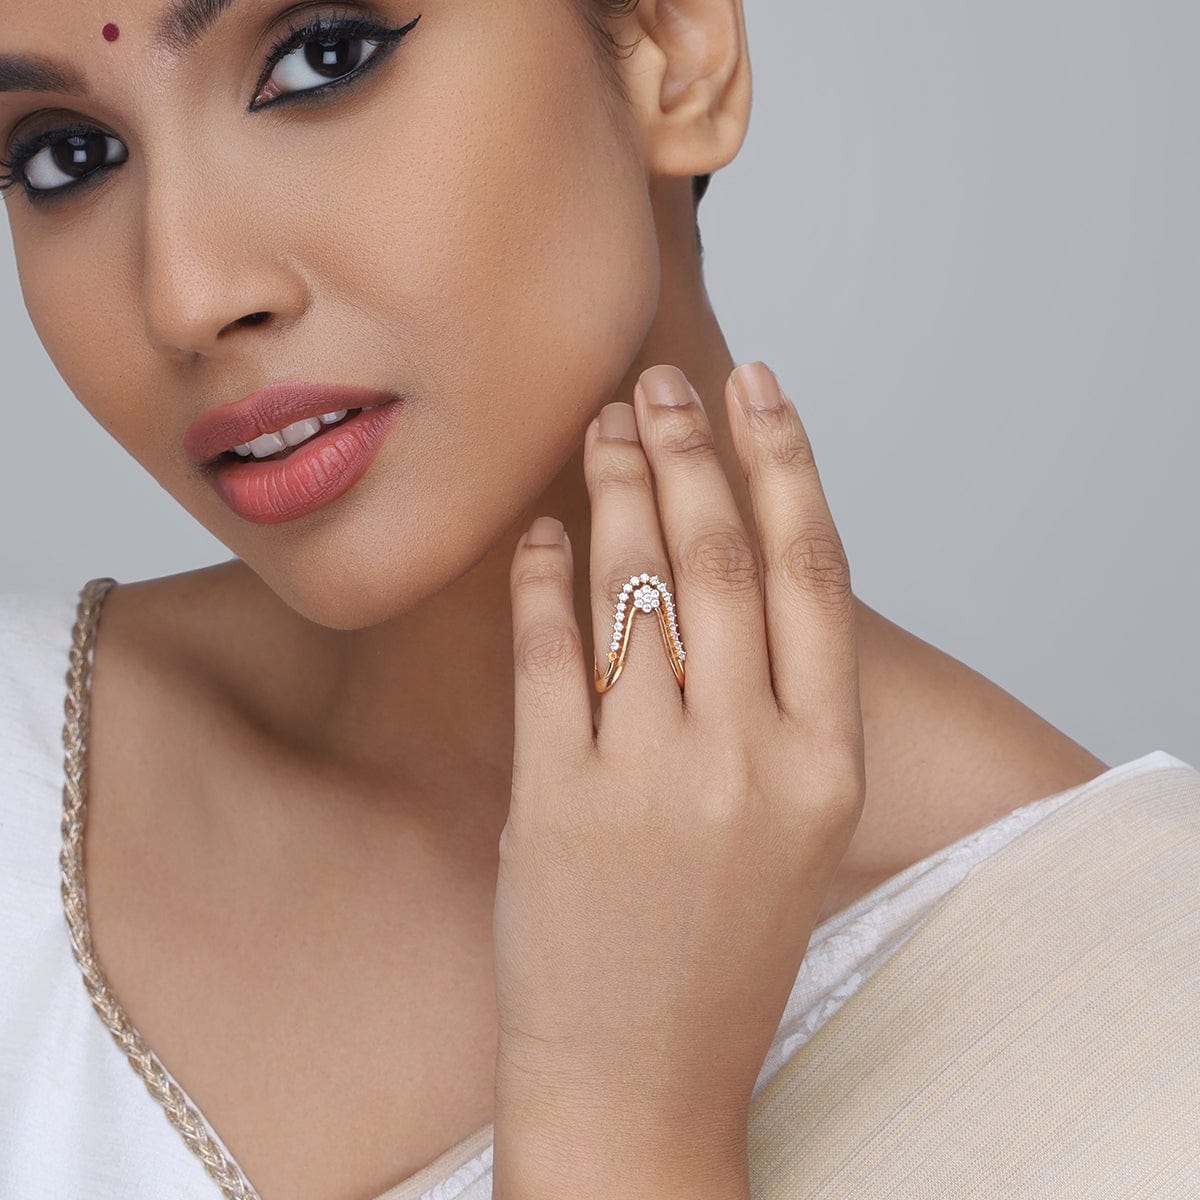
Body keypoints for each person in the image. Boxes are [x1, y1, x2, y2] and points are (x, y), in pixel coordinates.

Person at [1, 3, 1194, 1199]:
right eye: (65, 154)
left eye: (324, 57)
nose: (188, 294)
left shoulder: (1142, 1024)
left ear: (676, 54)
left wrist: (619, 1118)